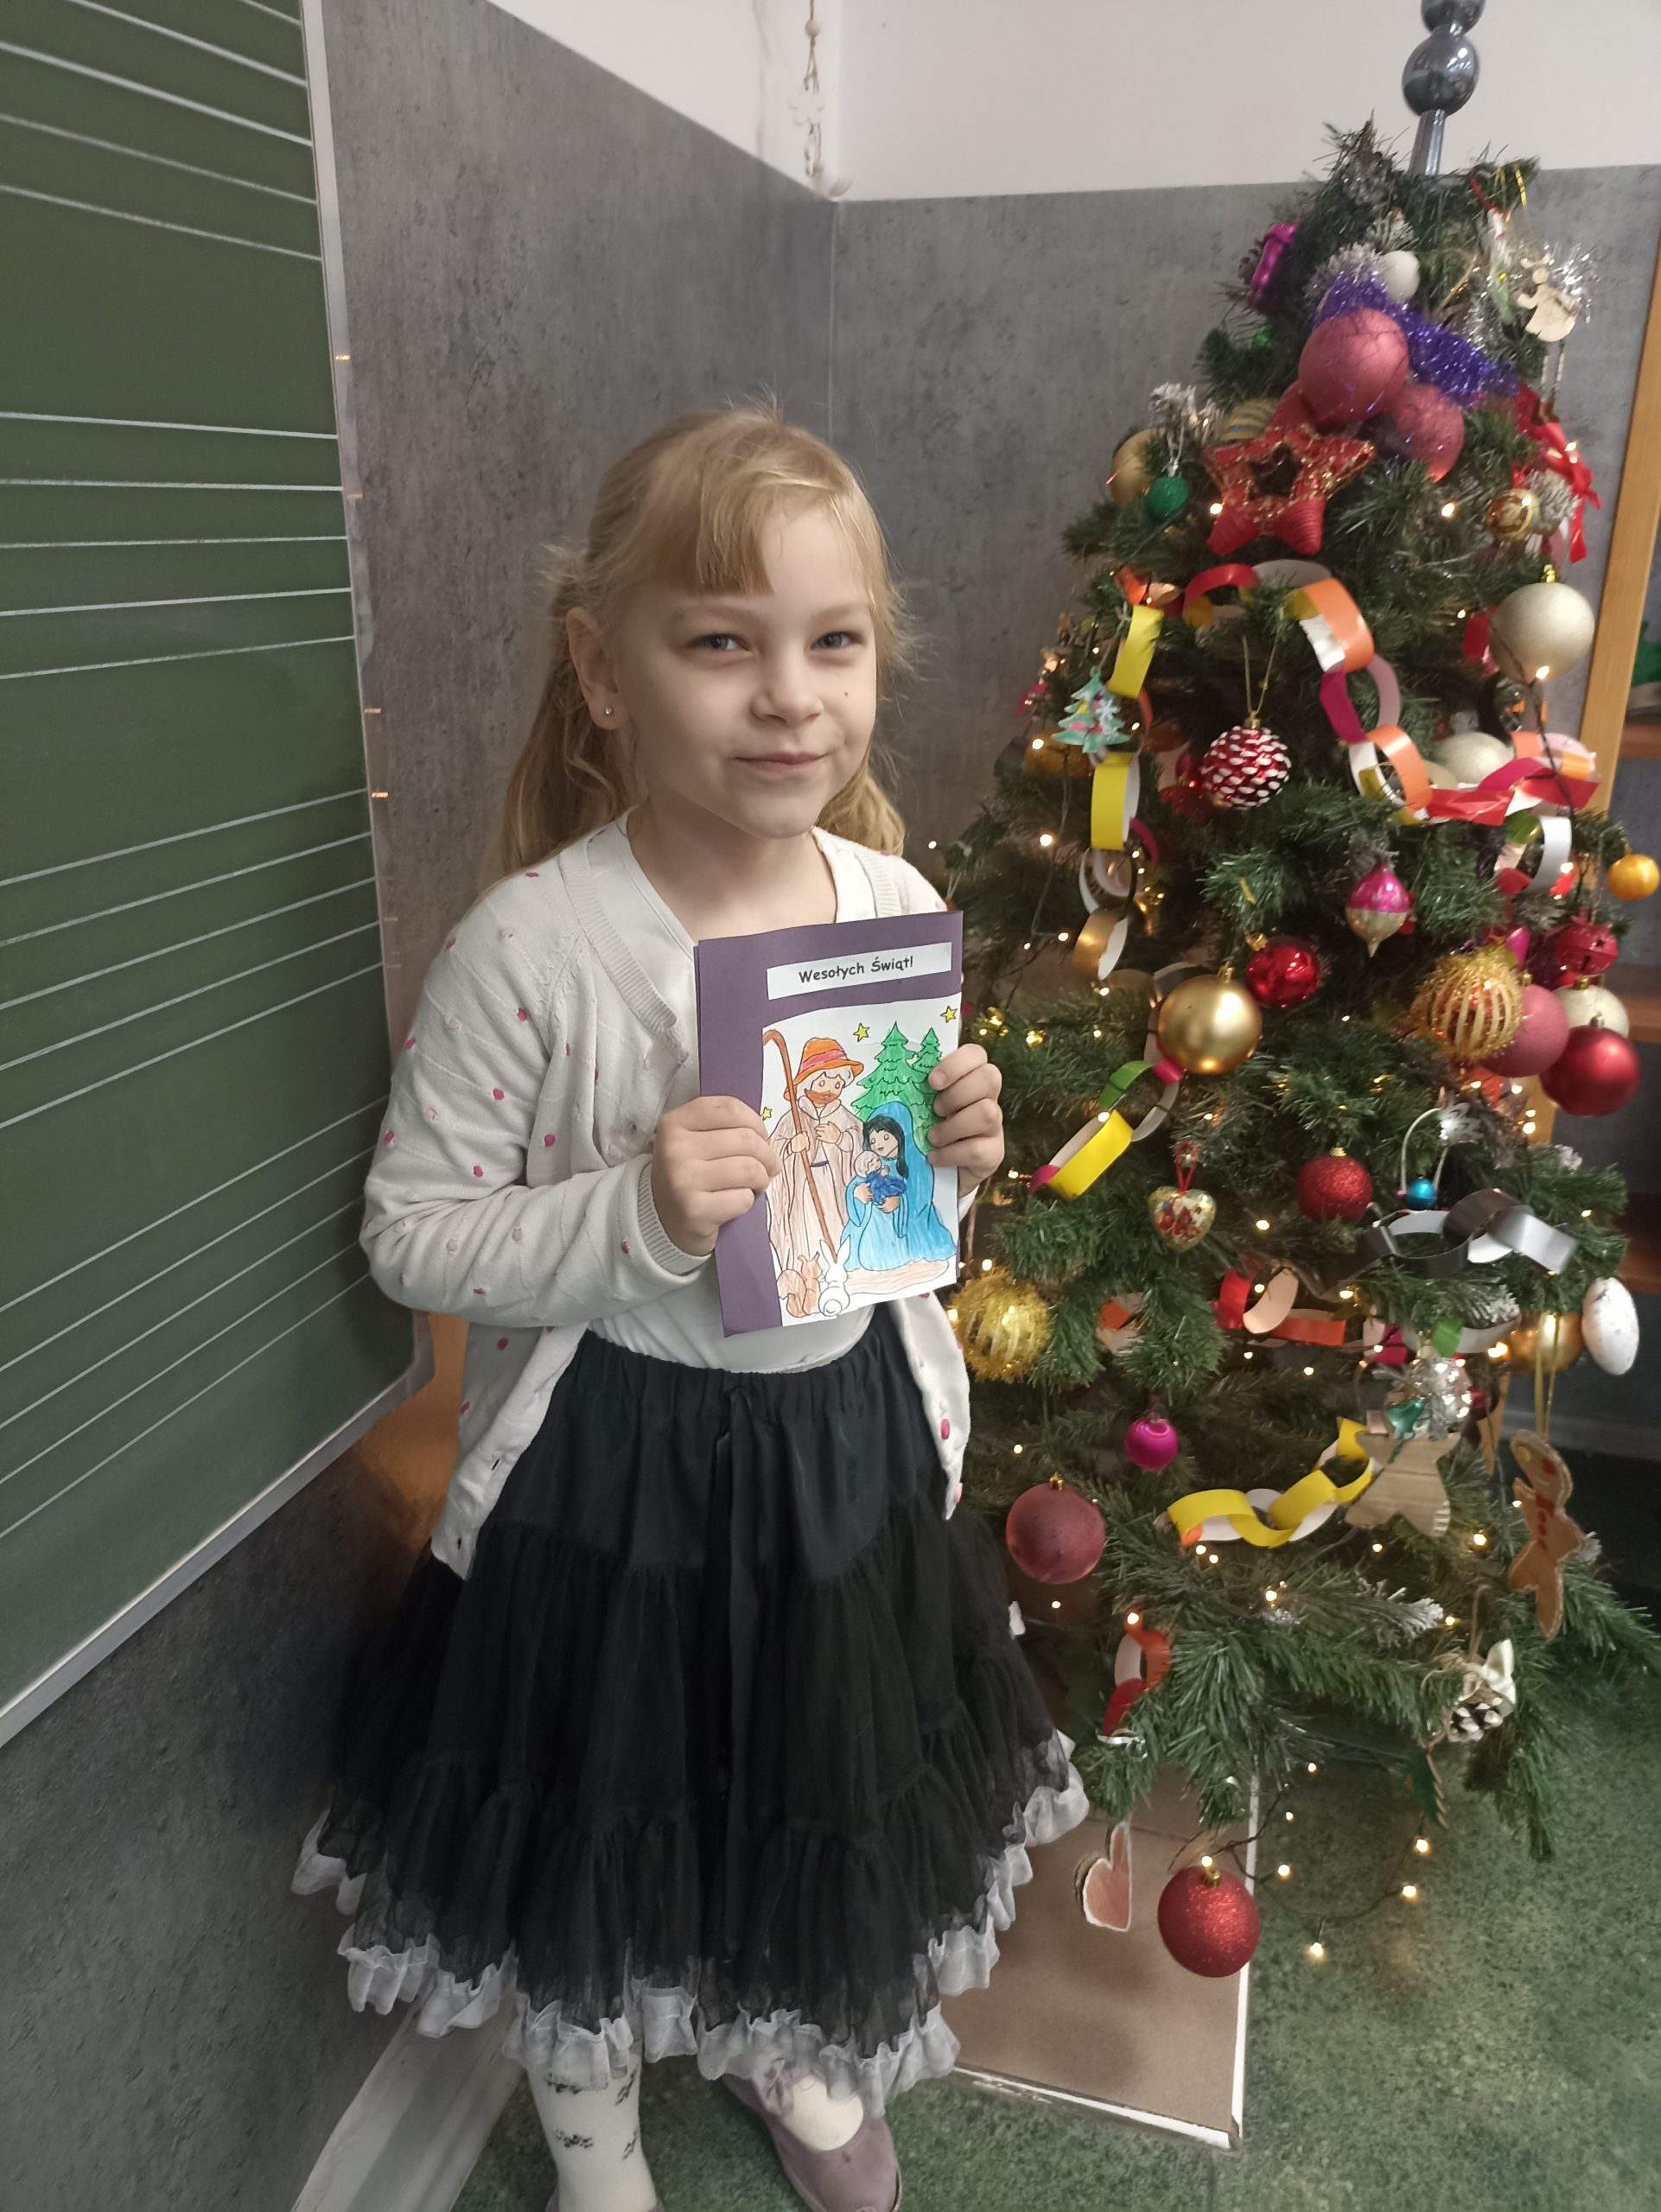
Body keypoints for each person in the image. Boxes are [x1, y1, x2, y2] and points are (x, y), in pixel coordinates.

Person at [291, 408, 1085, 2212]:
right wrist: (635, 1212)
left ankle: (782, 2035)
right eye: (721, 640)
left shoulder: (891, 904)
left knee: (803, 1772)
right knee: (598, 1813)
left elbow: (880, 1228)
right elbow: (413, 1234)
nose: (788, 695)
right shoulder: (534, 946)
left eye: (833, 641)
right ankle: (596, 2144)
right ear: (603, 670)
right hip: (615, 1473)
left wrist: (957, 1164)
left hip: (839, 1454)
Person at [767, 1035, 863, 1288]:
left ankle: (838, 1274)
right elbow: (770, 1152)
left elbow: (861, 1147)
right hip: (803, 1188)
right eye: (822, 1082)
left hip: (833, 1185)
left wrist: (840, 1139)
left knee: (835, 1225)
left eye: (837, 1084)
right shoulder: (793, 1118)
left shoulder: (845, 1118)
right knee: (805, 1228)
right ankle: (807, 1277)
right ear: (808, 1083)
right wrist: (791, 1147)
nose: (828, 1090)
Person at [840, 1103, 958, 1293]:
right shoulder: (874, 1162)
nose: (879, 1145)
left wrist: (900, 1203)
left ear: (900, 1135)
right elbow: (857, 1181)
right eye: (873, 1140)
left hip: (906, 1227)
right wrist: (856, 1192)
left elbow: (921, 1199)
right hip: (875, 1226)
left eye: (886, 1137)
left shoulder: (917, 1164)